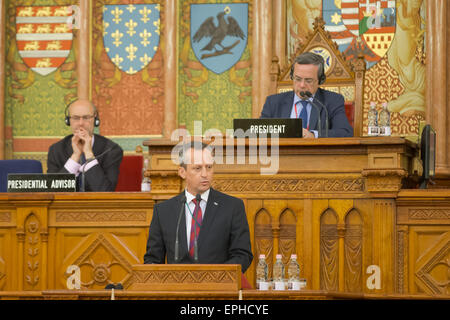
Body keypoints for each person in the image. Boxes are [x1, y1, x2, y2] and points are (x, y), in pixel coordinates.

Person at [144, 141, 253, 273]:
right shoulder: (163, 211)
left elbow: (242, 255)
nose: (204, 174)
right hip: (177, 289)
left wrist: (219, 278)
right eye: (197, 168)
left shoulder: (232, 207)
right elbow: (153, 259)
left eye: (208, 167)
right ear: (182, 172)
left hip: (218, 289)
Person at [260, 52, 353, 138]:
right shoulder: (273, 102)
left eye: (308, 80)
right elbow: (258, 132)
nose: (302, 85)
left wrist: (313, 135)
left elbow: (345, 132)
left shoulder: (332, 101)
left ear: (320, 80)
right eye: (297, 79)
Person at [47, 99, 123, 191]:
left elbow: (105, 191)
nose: (81, 123)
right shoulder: (56, 150)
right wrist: (75, 157)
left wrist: (88, 154)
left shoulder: (111, 150)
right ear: (68, 121)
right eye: (75, 118)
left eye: (86, 117)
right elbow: (52, 191)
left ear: (95, 120)